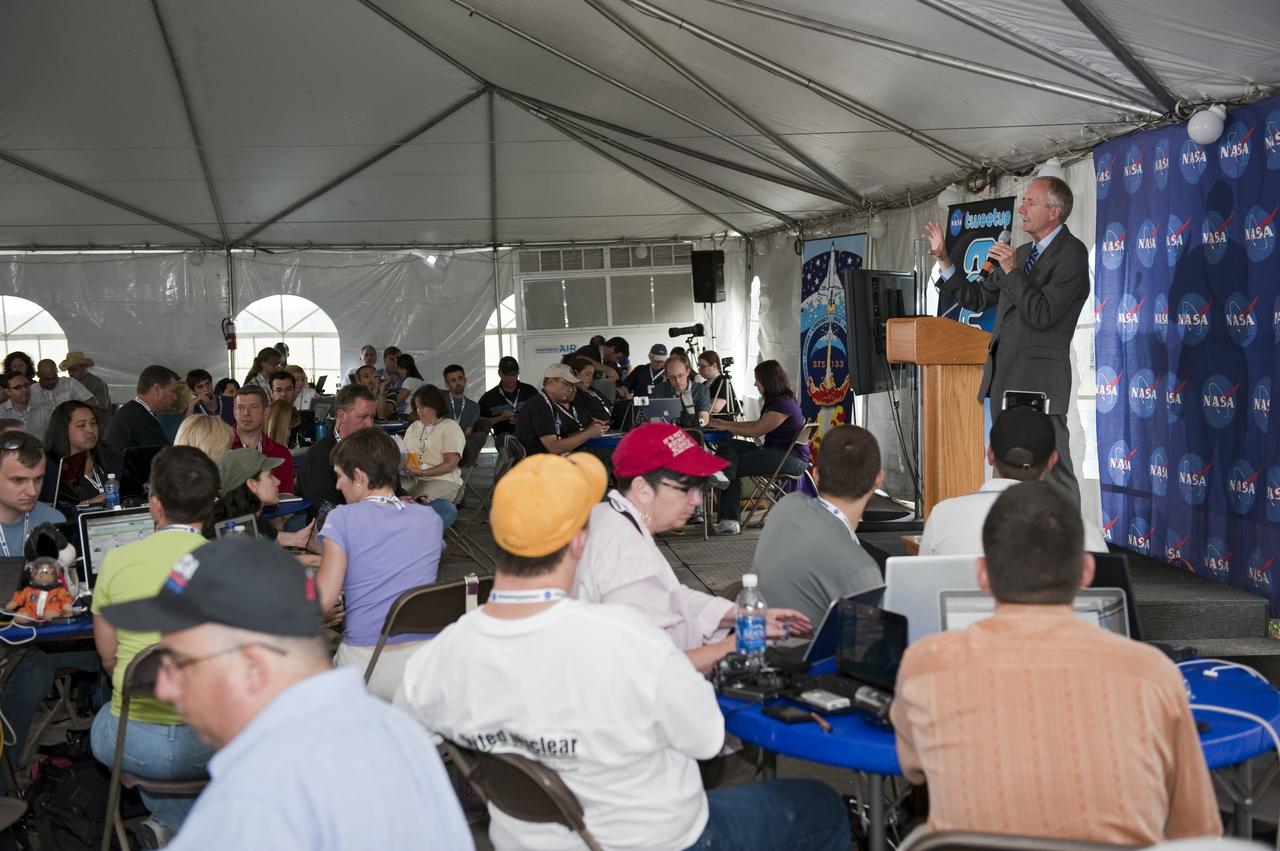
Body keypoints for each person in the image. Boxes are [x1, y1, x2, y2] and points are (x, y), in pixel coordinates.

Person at [398, 451, 850, 851]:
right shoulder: (625, 639)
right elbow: (706, 738)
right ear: (579, 541)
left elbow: (403, 748)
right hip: (657, 839)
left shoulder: (443, 653)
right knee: (822, 806)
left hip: (525, 841)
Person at [892, 481, 1221, 845]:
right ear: (1086, 571)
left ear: (982, 574)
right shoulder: (1154, 675)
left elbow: (912, 766)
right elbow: (1197, 830)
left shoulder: (926, 664)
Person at [97, 537, 473, 850]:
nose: (162, 686)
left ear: (251, 665)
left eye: (180, 662)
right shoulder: (401, 731)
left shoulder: (254, 801)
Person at [574, 423, 810, 673]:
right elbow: (651, 668)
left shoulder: (610, 516)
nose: (696, 500)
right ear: (642, 489)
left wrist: (739, 615)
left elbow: (668, 596)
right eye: (685, 488)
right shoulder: (625, 554)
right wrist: (738, 643)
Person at [924, 176, 1088, 506]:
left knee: (1055, 471)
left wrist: (1013, 271)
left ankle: (1070, 545)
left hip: (1040, 384)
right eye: (1023, 201)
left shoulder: (1072, 253)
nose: (1022, 209)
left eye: (1030, 202)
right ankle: (1020, 540)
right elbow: (976, 299)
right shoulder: (1023, 252)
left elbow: (1043, 314)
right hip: (1004, 380)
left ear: (1054, 211)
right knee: (1009, 474)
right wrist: (944, 259)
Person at [88, 446, 220, 845]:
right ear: (211, 506)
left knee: (102, 718)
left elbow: (110, 659)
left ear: (155, 504)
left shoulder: (116, 560)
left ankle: (169, 827)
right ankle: (184, 828)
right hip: (209, 745)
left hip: (135, 740)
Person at [317, 427, 443, 700]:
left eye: (339, 476)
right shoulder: (430, 518)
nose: (337, 485)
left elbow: (324, 600)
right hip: (424, 665)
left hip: (368, 663)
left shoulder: (342, 518)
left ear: (359, 477)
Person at [921, 404, 1108, 556]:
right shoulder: (1084, 534)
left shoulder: (943, 517)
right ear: (1052, 461)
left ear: (990, 455)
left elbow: (922, 593)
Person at [752, 425, 883, 625]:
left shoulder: (786, 506)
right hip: (803, 654)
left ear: (816, 475)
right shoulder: (861, 570)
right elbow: (867, 646)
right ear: (878, 479)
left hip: (753, 639)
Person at [710, 360, 809, 535]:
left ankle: (729, 520)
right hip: (777, 454)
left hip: (789, 459)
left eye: (757, 379)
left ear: (768, 380)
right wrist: (725, 423)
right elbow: (758, 425)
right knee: (728, 445)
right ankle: (725, 486)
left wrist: (726, 425)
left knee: (729, 464)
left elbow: (757, 431)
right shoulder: (779, 401)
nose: (755, 384)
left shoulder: (783, 404)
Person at [297, 384, 377, 516]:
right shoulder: (319, 456)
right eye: (363, 417)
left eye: (372, 417)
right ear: (341, 415)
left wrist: (402, 499)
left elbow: (393, 488)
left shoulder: (377, 449)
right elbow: (322, 509)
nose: (370, 424)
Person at [207, 449, 312, 547]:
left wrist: (296, 538)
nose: (278, 482)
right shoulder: (232, 530)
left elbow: (274, 538)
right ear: (253, 485)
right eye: (270, 475)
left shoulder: (248, 513)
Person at [40, 400, 122, 511]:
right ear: (63, 431)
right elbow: (49, 512)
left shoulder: (109, 455)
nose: (90, 430)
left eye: (93, 423)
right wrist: (85, 505)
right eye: (81, 425)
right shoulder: (50, 467)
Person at [515, 363, 608, 457]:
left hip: (550, 461)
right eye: (566, 384)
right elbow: (553, 447)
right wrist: (588, 433)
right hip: (539, 466)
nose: (571, 389)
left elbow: (564, 436)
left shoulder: (550, 403)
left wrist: (591, 429)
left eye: (572, 385)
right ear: (551, 383)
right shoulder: (539, 405)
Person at [400, 385, 465, 506]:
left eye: (423, 407)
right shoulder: (414, 427)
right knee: (389, 495)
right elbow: (408, 456)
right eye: (417, 407)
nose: (419, 411)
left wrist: (422, 473)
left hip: (443, 480)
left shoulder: (450, 427)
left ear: (435, 406)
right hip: (414, 478)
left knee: (418, 502)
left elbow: (450, 465)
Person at [229, 386, 295, 493]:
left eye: (253, 407)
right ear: (234, 412)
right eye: (240, 407)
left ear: (266, 412)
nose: (246, 413)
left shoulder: (281, 454)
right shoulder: (221, 447)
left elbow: (286, 497)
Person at [105, 365, 179, 453]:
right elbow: (165, 458)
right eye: (173, 391)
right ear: (157, 389)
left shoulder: (133, 411)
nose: (175, 397)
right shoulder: (142, 419)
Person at [477, 356, 538, 442]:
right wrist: (500, 418)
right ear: (499, 373)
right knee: (505, 439)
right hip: (504, 441)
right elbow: (479, 423)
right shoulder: (489, 398)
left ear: (518, 372)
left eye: (514, 374)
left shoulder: (530, 392)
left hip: (530, 439)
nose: (510, 378)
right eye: (506, 375)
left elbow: (542, 416)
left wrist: (524, 420)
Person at [651, 352, 711, 426]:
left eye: (680, 375)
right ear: (667, 376)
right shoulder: (659, 390)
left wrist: (698, 423)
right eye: (673, 377)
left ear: (688, 371)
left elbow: (704, 419)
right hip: (667, 432)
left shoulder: (701, 390)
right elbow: (653, 418)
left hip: (693, 432)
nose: (677, 381)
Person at [0, 371, 50, 443]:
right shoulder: (1, 412)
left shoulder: (44, 409)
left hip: (40, 452)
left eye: (26, 385)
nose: (24, 390)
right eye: (18, 387)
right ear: (8, 391)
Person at [565, 356, 610, 422]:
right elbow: (582, 416)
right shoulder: (574, 393)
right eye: (587, 374)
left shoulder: (593, 390)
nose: (590, 378)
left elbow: (609, 404)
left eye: (592, 375)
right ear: (575, 373)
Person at [697, 350, 740, 419]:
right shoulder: (704, 384)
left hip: (720, 425)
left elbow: (715, 409)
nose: (699, 369)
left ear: (714, 366)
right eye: (698, 366)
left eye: (702, 366)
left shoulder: (723, 382)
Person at [381, 353, 424, 419]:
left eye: (397, 369)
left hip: (409, 415)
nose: (397, 372)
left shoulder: (409, 380)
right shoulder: (420, 381)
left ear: (401, 368)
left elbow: (396, 401)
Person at [441, 363, 480, 435]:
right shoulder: (439, 401)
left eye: (460, 378)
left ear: (465, 380)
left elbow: (467, 434)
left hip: (460, 442)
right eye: (453, 380)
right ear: (447, 385)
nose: (458, 383)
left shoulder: (474, 407)